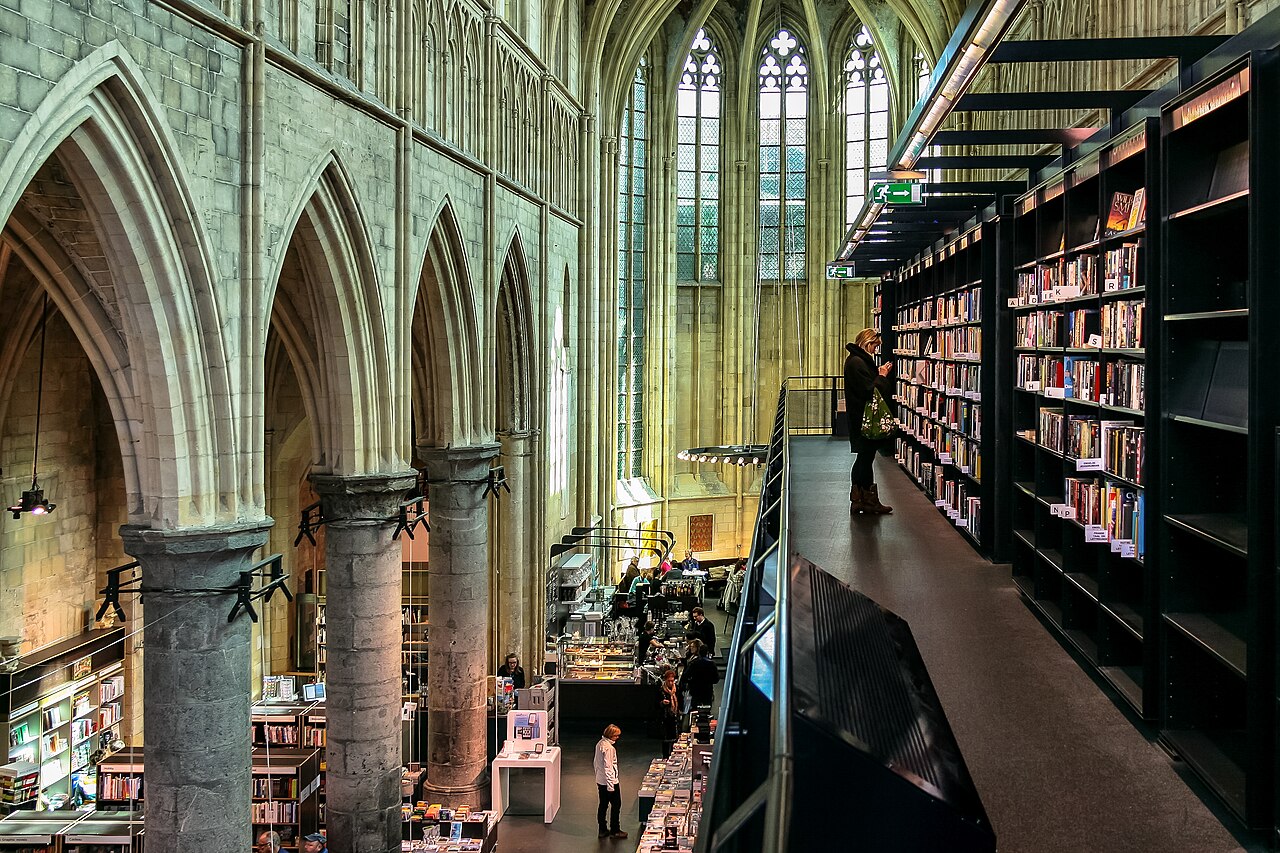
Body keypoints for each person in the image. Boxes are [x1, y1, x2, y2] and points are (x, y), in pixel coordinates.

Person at [844, 328, 894, 514]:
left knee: (865, 459)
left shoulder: (856, 361)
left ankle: (861, 499)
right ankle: (866, 501)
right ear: (867, 343)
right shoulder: (857, 363)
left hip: (862, 418)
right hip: (865, 420)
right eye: (874, 346)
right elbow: (868, 391)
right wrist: (881, 376)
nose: (875, 350)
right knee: (865, 459)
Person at [594, 724, 628, 839]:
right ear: (611, 735)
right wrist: (611, 785)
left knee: (603, 805)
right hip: (610, 782)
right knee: (616, 805)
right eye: (616, 735)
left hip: (600, 780)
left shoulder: (600, 744)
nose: (617, 738)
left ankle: (602, 829)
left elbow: (596, 763)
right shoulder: (609, 748)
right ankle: (615, 830)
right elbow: (608, 767)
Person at [678, 641, 719, 716]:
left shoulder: (694, 663)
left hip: (695, 691)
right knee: (706, 711)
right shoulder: (712, 664)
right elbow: (716, 679)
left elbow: (685, 676)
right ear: (707, 653)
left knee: (694, 711)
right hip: (707, 691)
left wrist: (690, 682)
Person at [658, 668, 680, 758]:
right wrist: (662, 703)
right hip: (665, 716)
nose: (671, 683)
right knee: (666, 738)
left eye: (672, 681)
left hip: (674, 716)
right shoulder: (661, 690)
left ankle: (673, 755)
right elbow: (655, 703)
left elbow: (680, 700)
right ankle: (665, 756)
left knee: (674, 737)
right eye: (669, 681)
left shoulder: (676, 689)